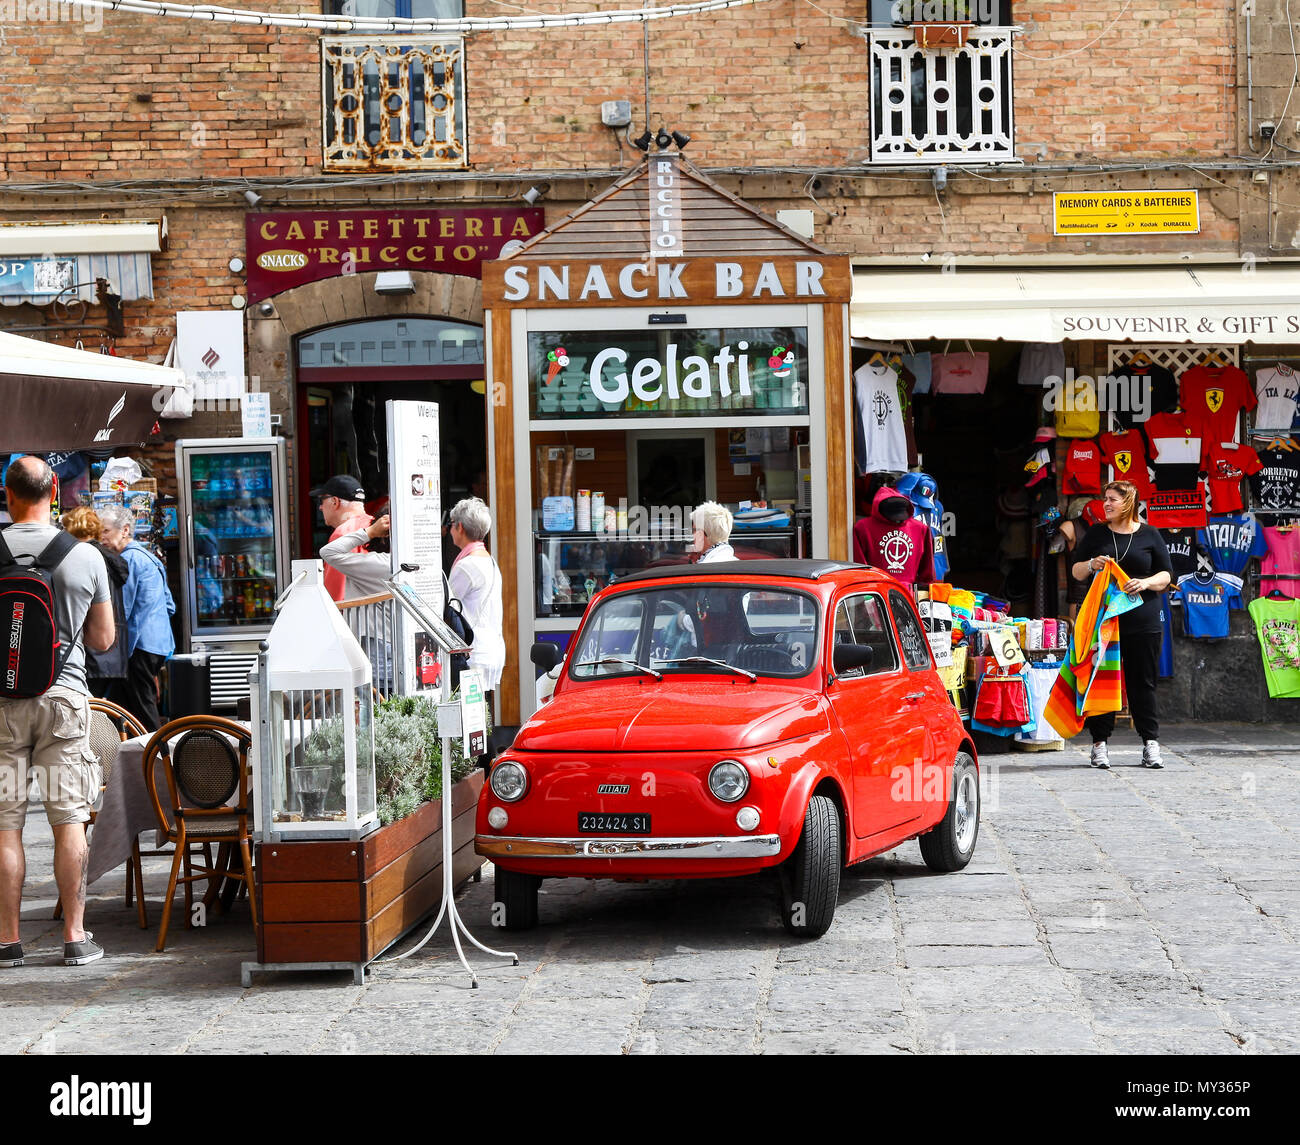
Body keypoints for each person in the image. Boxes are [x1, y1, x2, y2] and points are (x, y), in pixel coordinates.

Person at [0, 456, 115, 968]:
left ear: (8, 495)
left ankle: (7, 941)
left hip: (3, 706)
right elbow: (105, 639)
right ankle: (74, 936)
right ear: (55, 493)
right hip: (64, 703)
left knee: (6, 825)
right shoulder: (85, 557)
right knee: (69, 821)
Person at [1070, 480, 1173, 770]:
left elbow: (1166, 575)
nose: (1106, 504)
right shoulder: (1097, 533)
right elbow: (1076, 571)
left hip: (1144, 620)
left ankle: (1150, 744)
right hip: (1105, 623)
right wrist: (1093, 565)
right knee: (1101, 681)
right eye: (1105, 499)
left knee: (1143, 682)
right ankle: (1099, 744)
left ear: (1128, 502)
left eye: (1112, 499)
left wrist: (1146, 582)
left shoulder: (1150, 534)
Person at [97, 505, 175, 732]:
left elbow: (124, 611)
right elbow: (170, 605)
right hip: (158, 644)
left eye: (106, 531)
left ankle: (157, 758)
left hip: (139, 645)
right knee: (125, 706)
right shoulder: (150, 558)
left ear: (125, 530)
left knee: (142, 709)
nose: (101, 538)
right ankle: (134, 757)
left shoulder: (128, 561)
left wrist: (117, 652)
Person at [61, 507, 129, 696]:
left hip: (92, 653)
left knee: (93, 719)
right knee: (108, 716)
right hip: (113, 653)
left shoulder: (85, 559)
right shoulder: (111, 559)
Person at [447, 497, 505, 691]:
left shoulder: (467, 565)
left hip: (474, 652)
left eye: (451, 524)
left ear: (460, 527)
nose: (449, 529)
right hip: (490, 647)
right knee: (478, 712)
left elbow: (448, 604)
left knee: (469, 715)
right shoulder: (488, 560)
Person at [311, 475, 372, 603]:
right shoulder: (376, 525)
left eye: (321, 500)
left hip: (354, 618)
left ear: (335, 501)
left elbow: (335, 598)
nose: (320, 507)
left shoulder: (343, 534)